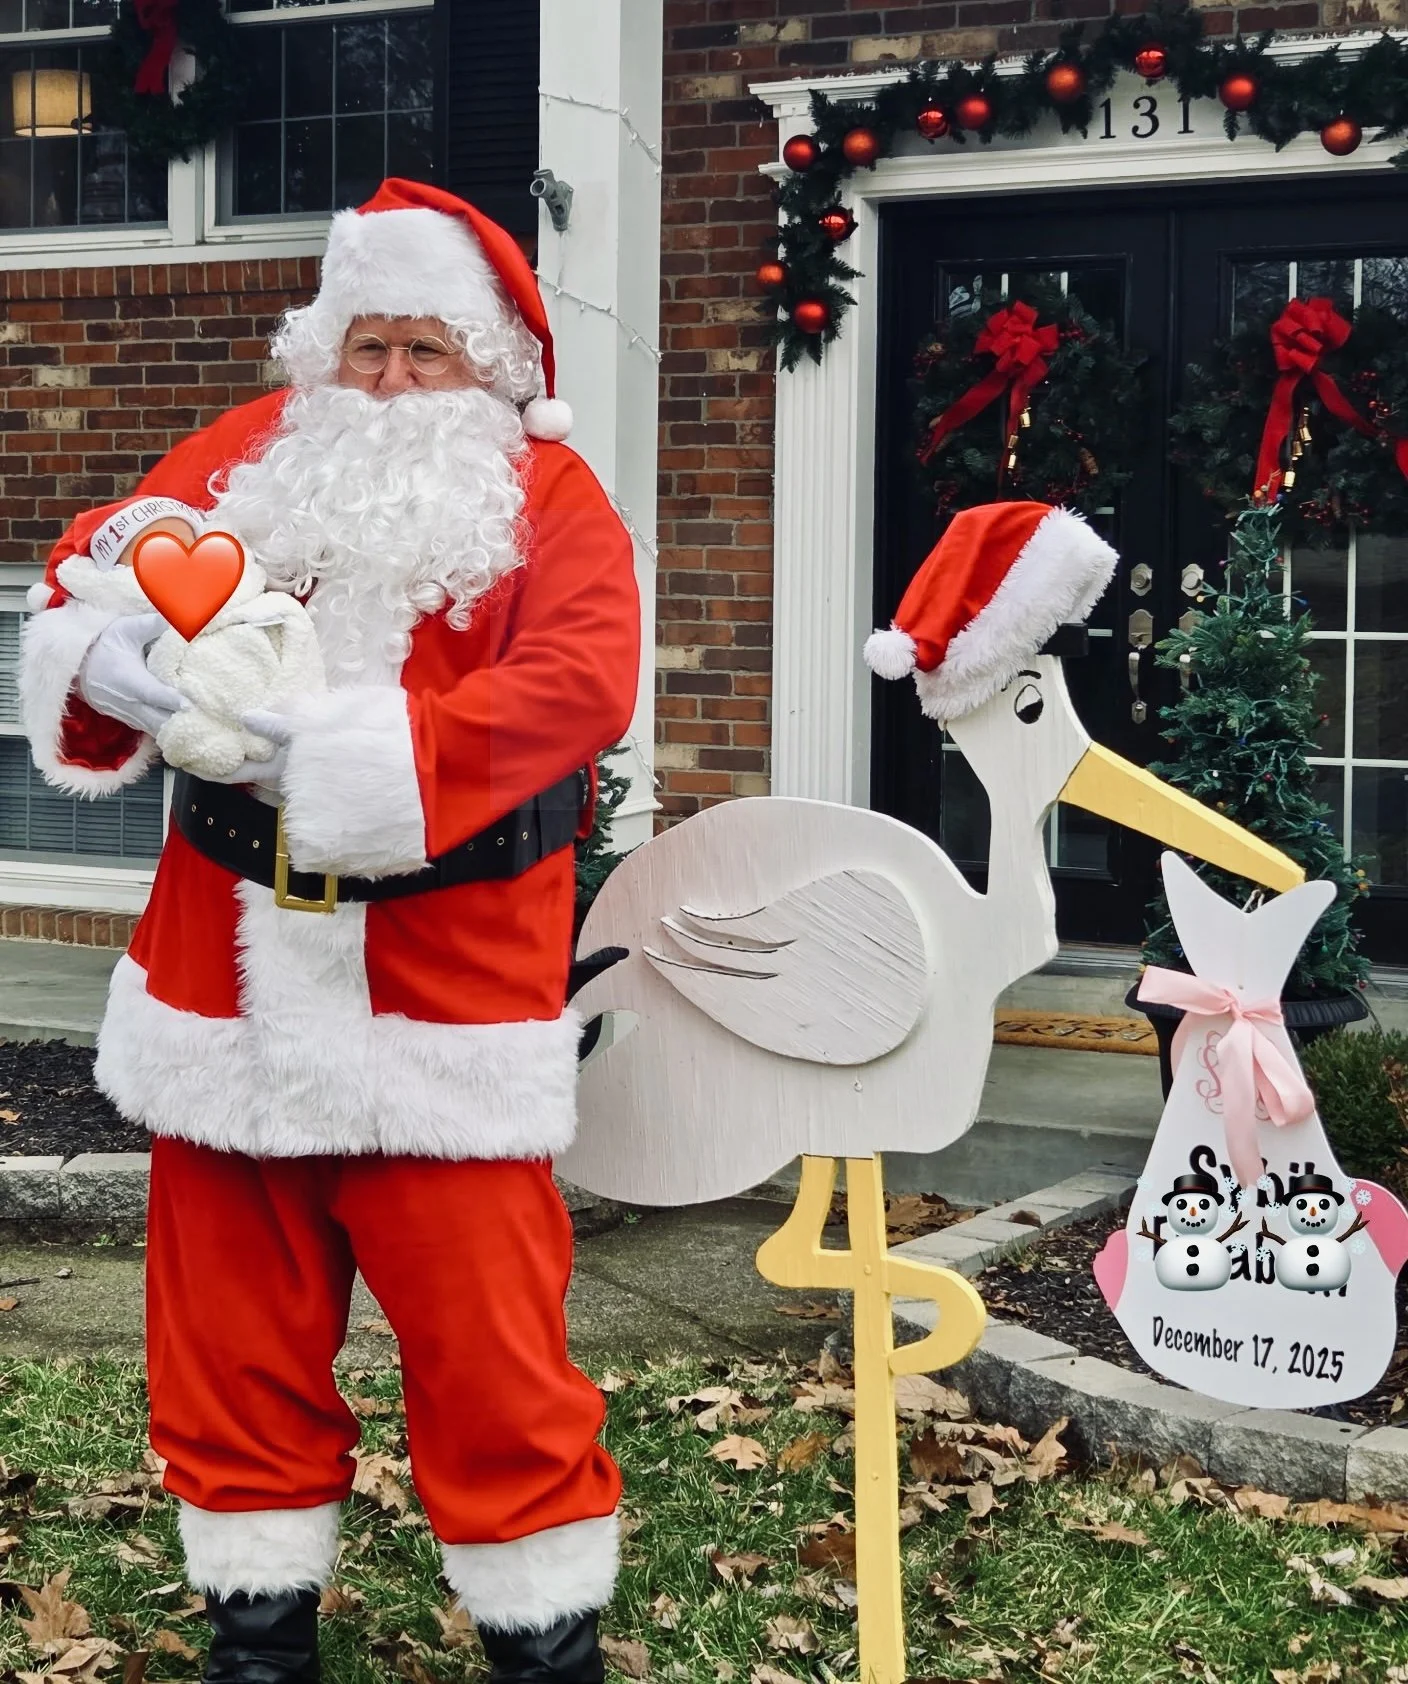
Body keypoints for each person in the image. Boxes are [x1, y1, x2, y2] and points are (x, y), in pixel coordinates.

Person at [19, 179, 641, 1684]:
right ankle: (258, 1640)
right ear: (326, 351)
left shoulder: (549, 497)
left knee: (490, 1346)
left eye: (428, 350)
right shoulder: (252, 454)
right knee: (229, 1337)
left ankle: (541, 1641)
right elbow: (99, 557)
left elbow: (583, 683)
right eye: (368, 346)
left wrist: (360, 758)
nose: (392, 382)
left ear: (489, 367)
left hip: (445, 995)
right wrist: (104, 653)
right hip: (223, 984)